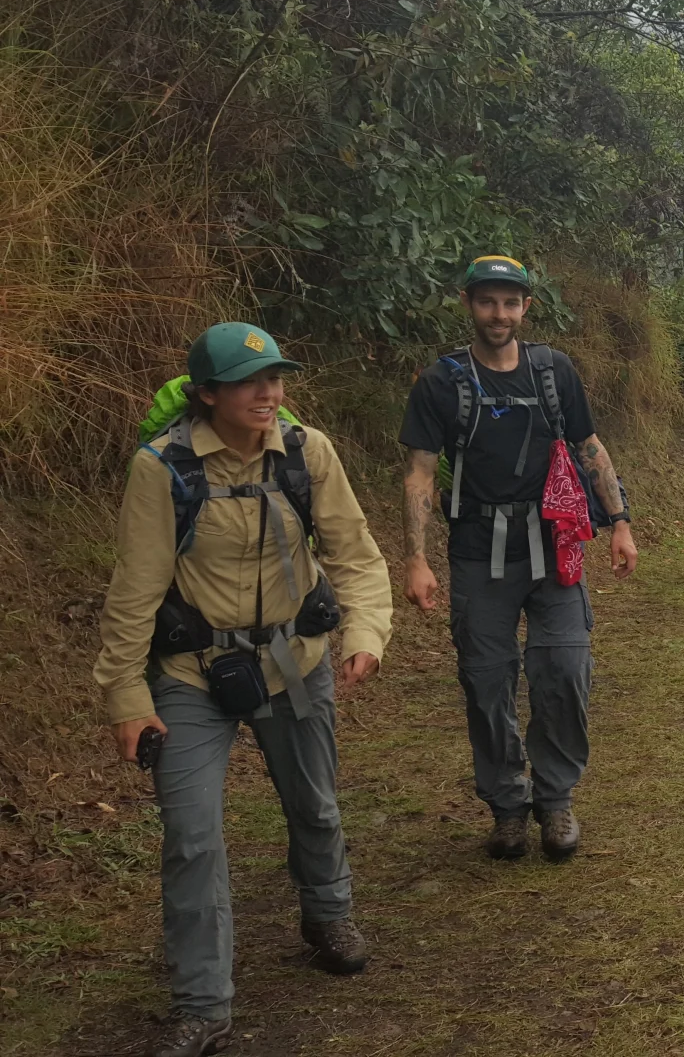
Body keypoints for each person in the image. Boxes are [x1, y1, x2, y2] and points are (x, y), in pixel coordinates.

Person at [94, 322, 393, 1057]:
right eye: (248, 382)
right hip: (192, 674)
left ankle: (327, 915)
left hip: (296, 658)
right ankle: (202, 1006)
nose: (268, 392)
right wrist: (127, 695)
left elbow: (353, 553)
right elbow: (134, 591)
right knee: (191, 836)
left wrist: (365, 635)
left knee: (315, 803)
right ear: (206, 393)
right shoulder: (163, 468)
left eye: (275, 378)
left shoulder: (305, 452)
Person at [399, 255, 637, 863]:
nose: (499, 314)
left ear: (526, 307)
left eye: (510, 303)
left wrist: (619, 522)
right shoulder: (441, 382)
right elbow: (420, 475)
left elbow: (589, 446)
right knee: (486, 682)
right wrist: (417, 559)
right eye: (487, 302)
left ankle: (555, 800)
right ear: (468, 304)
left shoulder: (553, 371)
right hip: (478, 550)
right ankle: (507, 806)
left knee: (563, 669)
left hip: (554, 546)